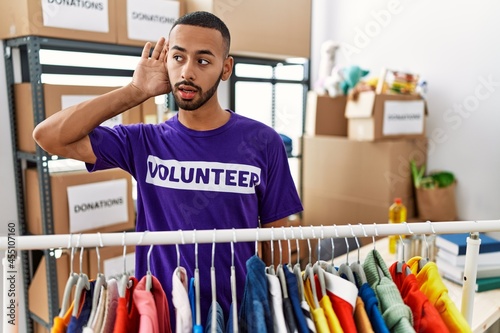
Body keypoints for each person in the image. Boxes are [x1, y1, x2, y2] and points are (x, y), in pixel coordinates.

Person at [33, 11, 303, 329]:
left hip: (238, 316)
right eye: (178, 57)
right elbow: (48, 136)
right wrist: (134, 92)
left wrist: (271, 316)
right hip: (160, 316)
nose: (187, 72)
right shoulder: (143, 141)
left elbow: (276, 246)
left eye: (203, 61)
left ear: (225, 68)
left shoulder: (264, 142)